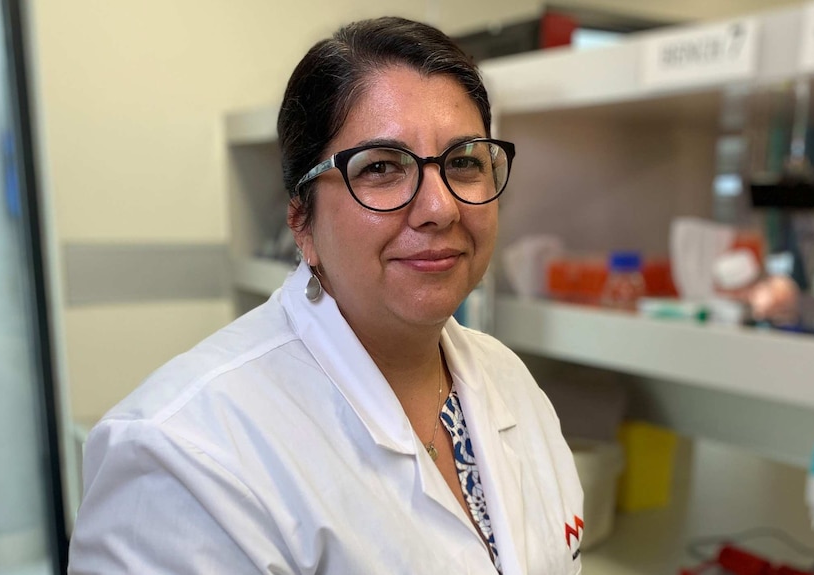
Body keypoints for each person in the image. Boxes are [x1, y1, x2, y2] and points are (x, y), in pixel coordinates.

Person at [68, 16, 584, 575]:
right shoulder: (183, 456)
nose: (440, 208)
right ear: (303, 223)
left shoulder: (509, 381)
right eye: (382, 168)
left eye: (463, 162)